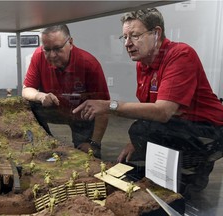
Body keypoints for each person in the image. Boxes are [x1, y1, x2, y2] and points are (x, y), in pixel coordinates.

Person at [73, 8, 223, 193]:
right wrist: (136, 143)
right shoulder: (142, 64)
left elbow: (162, 111)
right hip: (179, 123)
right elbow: (149, 111)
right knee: (141, 133)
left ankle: (193, 173)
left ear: (156, 33)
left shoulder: (181, 54)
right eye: (124, 37)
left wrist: (109, 106)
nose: (127, 44)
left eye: (134, 36)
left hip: (208, 130)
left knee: (143, 130)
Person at [22, 24, 110, 158]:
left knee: (88, 156)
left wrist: (94, 143)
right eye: (47, 49)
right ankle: (45, 142)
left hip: (81, 115)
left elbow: (103, 108)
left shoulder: (89, 64)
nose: (52, 55)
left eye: (57, 49)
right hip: (54, 109)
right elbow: (26, 89)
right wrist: (40, 96)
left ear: (70, 42)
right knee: (29, 103)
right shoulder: (38, 56)